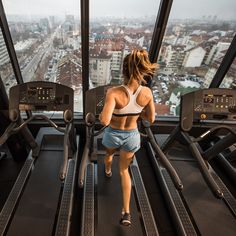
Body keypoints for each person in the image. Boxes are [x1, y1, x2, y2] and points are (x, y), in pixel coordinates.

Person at [99, 49, 158, 226]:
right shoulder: (147, 92)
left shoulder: (113, 92)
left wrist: (108, 104)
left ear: (123, 70)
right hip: (132, 135)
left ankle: (107, 171)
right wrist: (137, 113)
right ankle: (126, 212)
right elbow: (151, 118)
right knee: (124, 170)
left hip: (114, 134)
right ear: (142, 70)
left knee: (109, 156)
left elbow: (104, 120)